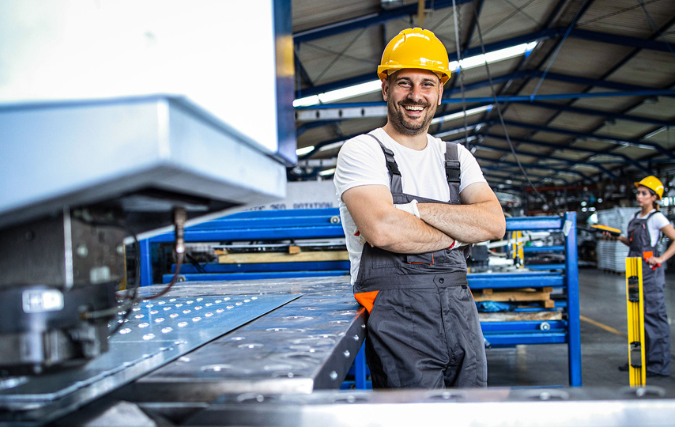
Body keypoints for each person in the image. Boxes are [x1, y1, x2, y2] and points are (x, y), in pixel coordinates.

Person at [333, 28, 505, 389]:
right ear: (385, 88)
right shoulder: (363, 150)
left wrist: (412, 210)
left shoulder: (457, 157)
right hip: (397, 314)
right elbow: (382, 229)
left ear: (440, 92)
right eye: (404, 83)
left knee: (471, 415)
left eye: (427, 84)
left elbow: (493, 224)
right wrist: (457, 235)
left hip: (460, 309)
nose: (416, 95)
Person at [605, 176, 674, 377]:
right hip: (634, 272)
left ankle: (657, 365)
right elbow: (634, 244)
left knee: (653, 318)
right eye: (638, 192)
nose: (639, 196)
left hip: (650, 275)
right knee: (637, 318)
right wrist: (618, 237)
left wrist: (661, 258)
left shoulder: (657, 218)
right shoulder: (637, 216)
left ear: (654, 197)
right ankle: (639, 361)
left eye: (644, 193)